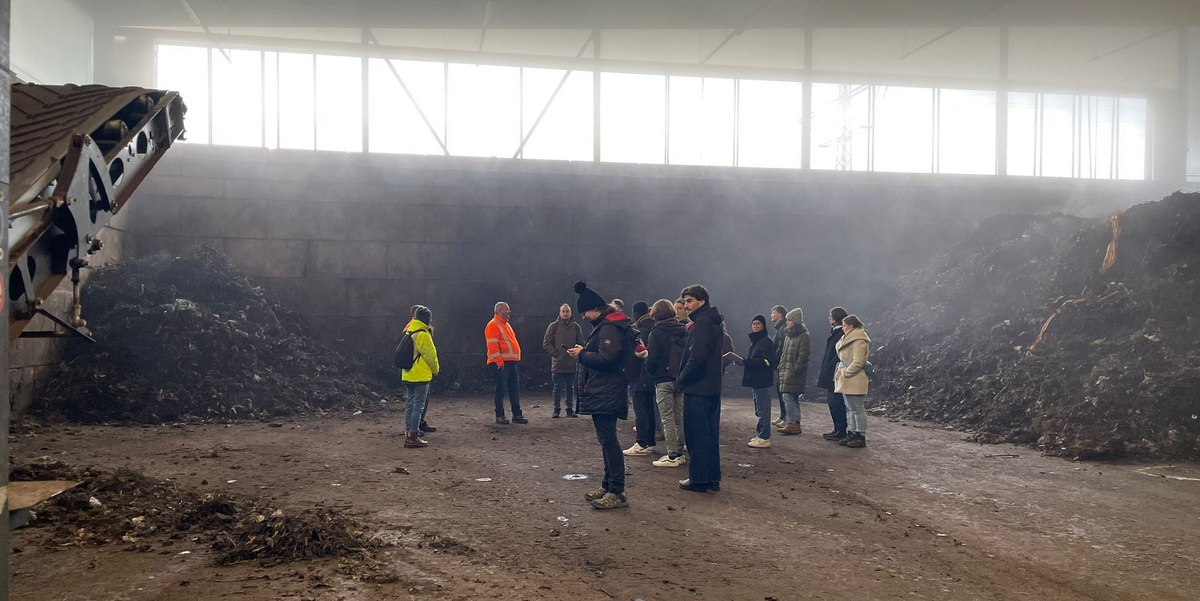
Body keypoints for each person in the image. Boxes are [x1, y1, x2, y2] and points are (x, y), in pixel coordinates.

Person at [567, 282, 644, 510]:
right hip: (605, 391)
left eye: (585, 312)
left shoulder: (608, 328)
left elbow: (607, 359)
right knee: (606, 441)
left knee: (609, 442)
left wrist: (582, 354)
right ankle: (608, 485)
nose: (583, 317)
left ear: (595, 308)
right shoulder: (609, 325)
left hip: (606, 391)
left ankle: (617, 491)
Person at [676, 284, 725, 492]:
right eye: (685, 301)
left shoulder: (701, 323)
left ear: (701, 302)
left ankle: (698, 479)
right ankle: (712, 478)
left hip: (698, 387)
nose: (686, 305)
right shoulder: (713, 322)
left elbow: (697, 356)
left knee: (696, 436)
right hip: (712, 387)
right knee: (710, 435)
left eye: (689, 301)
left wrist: (681, 379)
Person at [646, 299, 688, 467]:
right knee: (679, 416)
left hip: (663, 379)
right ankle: (680, 451)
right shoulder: (684, 330)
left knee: (667, 418)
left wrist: (652, 372)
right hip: (680, 378)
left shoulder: (656, 333)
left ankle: (671, 455)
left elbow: (652, 359)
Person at [734, 314, 776, 448]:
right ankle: (761, 435)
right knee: (759, 409)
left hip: (762, 381)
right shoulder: (758, 341)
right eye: (753, 324)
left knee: (763, 410)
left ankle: (764, 437)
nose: (755, 326)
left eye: (758, 324)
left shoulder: (766, 342)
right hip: (757, 381)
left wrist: (747, 362)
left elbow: (767, 361)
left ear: (763, 325)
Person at [401, 306, 439, 448]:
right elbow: (430, 355)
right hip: (420, 375)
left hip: (408, 373)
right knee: (418, 406)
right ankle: (413, 436)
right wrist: (436, 369)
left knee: (410, 404)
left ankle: (408, 431)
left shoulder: (409, 329)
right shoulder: (423, 333)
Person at [624, 301, 659, 457]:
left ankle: (642, 442)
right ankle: (650, 442)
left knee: (641, 411)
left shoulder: (640, 331)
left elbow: (638, 354)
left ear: (635, 313)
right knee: (650, 410)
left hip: (640, 375)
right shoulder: (654, 328)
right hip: (652, 376)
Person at [834, 315, 871, 448]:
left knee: (857, 408)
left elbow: (858, 361)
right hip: (846, 376)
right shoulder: (849, 338)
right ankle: (852, 432)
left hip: (854, 377)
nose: (842, 328)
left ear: (851, 326)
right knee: (850, 408)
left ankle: (860, 435)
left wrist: (847, 372)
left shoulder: (859, 341)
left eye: (844, 325)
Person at [486, 302, 526, 425]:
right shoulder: (493, 325)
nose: (509, 312)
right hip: (501, 363)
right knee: (501, 390)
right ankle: (500, 415)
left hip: (510, 362)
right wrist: (498, 361)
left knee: (514, 389)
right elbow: (492, 345)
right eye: (506, 309)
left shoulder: (506, 325)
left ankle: (516, 414)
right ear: (499, 311)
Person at [543, 303, 584, 418]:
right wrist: (556, 354)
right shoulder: (553, 326)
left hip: (571, 364)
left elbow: (581, 343)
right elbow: (546, 343)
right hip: (558, 364)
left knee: (570, 388)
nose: (565, 314)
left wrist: (576, 352)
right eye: (563, 311)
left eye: (567, 311)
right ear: (560, 313)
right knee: (557, 387)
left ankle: (569, 409)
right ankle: (556, 409)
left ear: (570, 313)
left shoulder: (576, 327)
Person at [775, 308, 810, 436]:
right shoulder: (789, 334)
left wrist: (796, 368)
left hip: (793, 371)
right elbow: (785, 353)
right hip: (786, 369)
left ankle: (790, 423)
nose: (787, 322)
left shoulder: (803, 336)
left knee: (787, 396)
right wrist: (781, 366)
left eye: (789, 320)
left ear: (795, 321)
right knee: (792, 397)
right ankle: (795, 423)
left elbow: (803, 355)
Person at [818, 307, 850, 441]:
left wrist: (829, 369)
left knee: (836, 402)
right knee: (833, 402)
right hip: (832, 372)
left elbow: (837, 356)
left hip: (834, 373)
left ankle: (840, 430)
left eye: (831, 316)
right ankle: (838, 429)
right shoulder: (836, 334)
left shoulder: (840, 335)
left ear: (836, 318)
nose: (829, 318)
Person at [769, 305, 788, 428]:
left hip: (780, 364)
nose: (771, 315)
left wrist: (774, 360)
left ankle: (786, 417)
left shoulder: (782, 329)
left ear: (780, 314)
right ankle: (783, 416)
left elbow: (780, 348)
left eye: (773, 312)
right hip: (779, 364)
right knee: (780, 391)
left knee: (783, 392)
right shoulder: (779, 328)